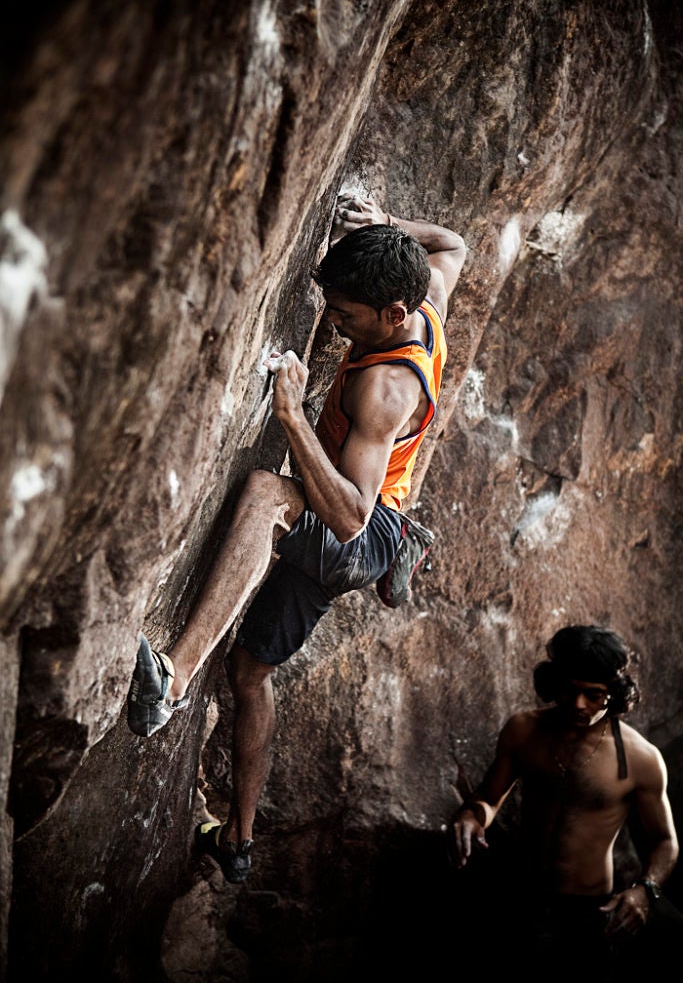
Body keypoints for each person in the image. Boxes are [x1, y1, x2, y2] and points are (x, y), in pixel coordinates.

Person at [126, 192, 467, 883]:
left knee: (265, 495)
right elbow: (453, 245)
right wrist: (385, 226)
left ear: (392, 313)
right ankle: (238, 839)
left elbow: (348, 517)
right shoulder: (427, 295)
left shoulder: (385, 388)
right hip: (359, 518)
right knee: (250, 672)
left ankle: (171, 680)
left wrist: (291, 417)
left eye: (346, 315)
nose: (333, 323)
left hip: (359, 531)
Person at [451, 625, 680, 980]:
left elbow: (665, 841)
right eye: (570, 689)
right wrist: (472, 817)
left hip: (588, 911)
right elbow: (489, 799)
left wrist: (645, 891)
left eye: (594, 694)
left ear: (615, 692)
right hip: (520, 896)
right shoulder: (524, 730)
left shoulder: (640, 758)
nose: (578, 704)